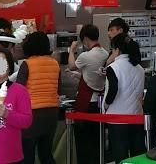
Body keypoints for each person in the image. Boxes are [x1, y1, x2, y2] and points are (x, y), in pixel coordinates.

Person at [17, 32, 61, 164]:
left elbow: (18, 91)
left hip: (31, 114)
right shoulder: (55, 64)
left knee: (27, 155)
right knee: (46, 154)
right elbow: (59, 89)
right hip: (51, 113)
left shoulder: (27, 64)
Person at [67, 24, 108, 164]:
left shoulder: (85, 56)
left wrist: (71, 51)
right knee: (96, 140)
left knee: (84, 141)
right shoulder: (105, 53)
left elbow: (71, 65)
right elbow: (92, 75)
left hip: (86, 103)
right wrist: (79, 76)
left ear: (85, 39)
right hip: (100, 103)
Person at [104, 33, 146, 163]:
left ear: (117, 50)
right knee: (137, 156)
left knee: (120, 155)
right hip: (137, 117)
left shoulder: (113, 68)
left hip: (117, 118)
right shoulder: (140, 68)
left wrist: (105, 105)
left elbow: (112, 90)